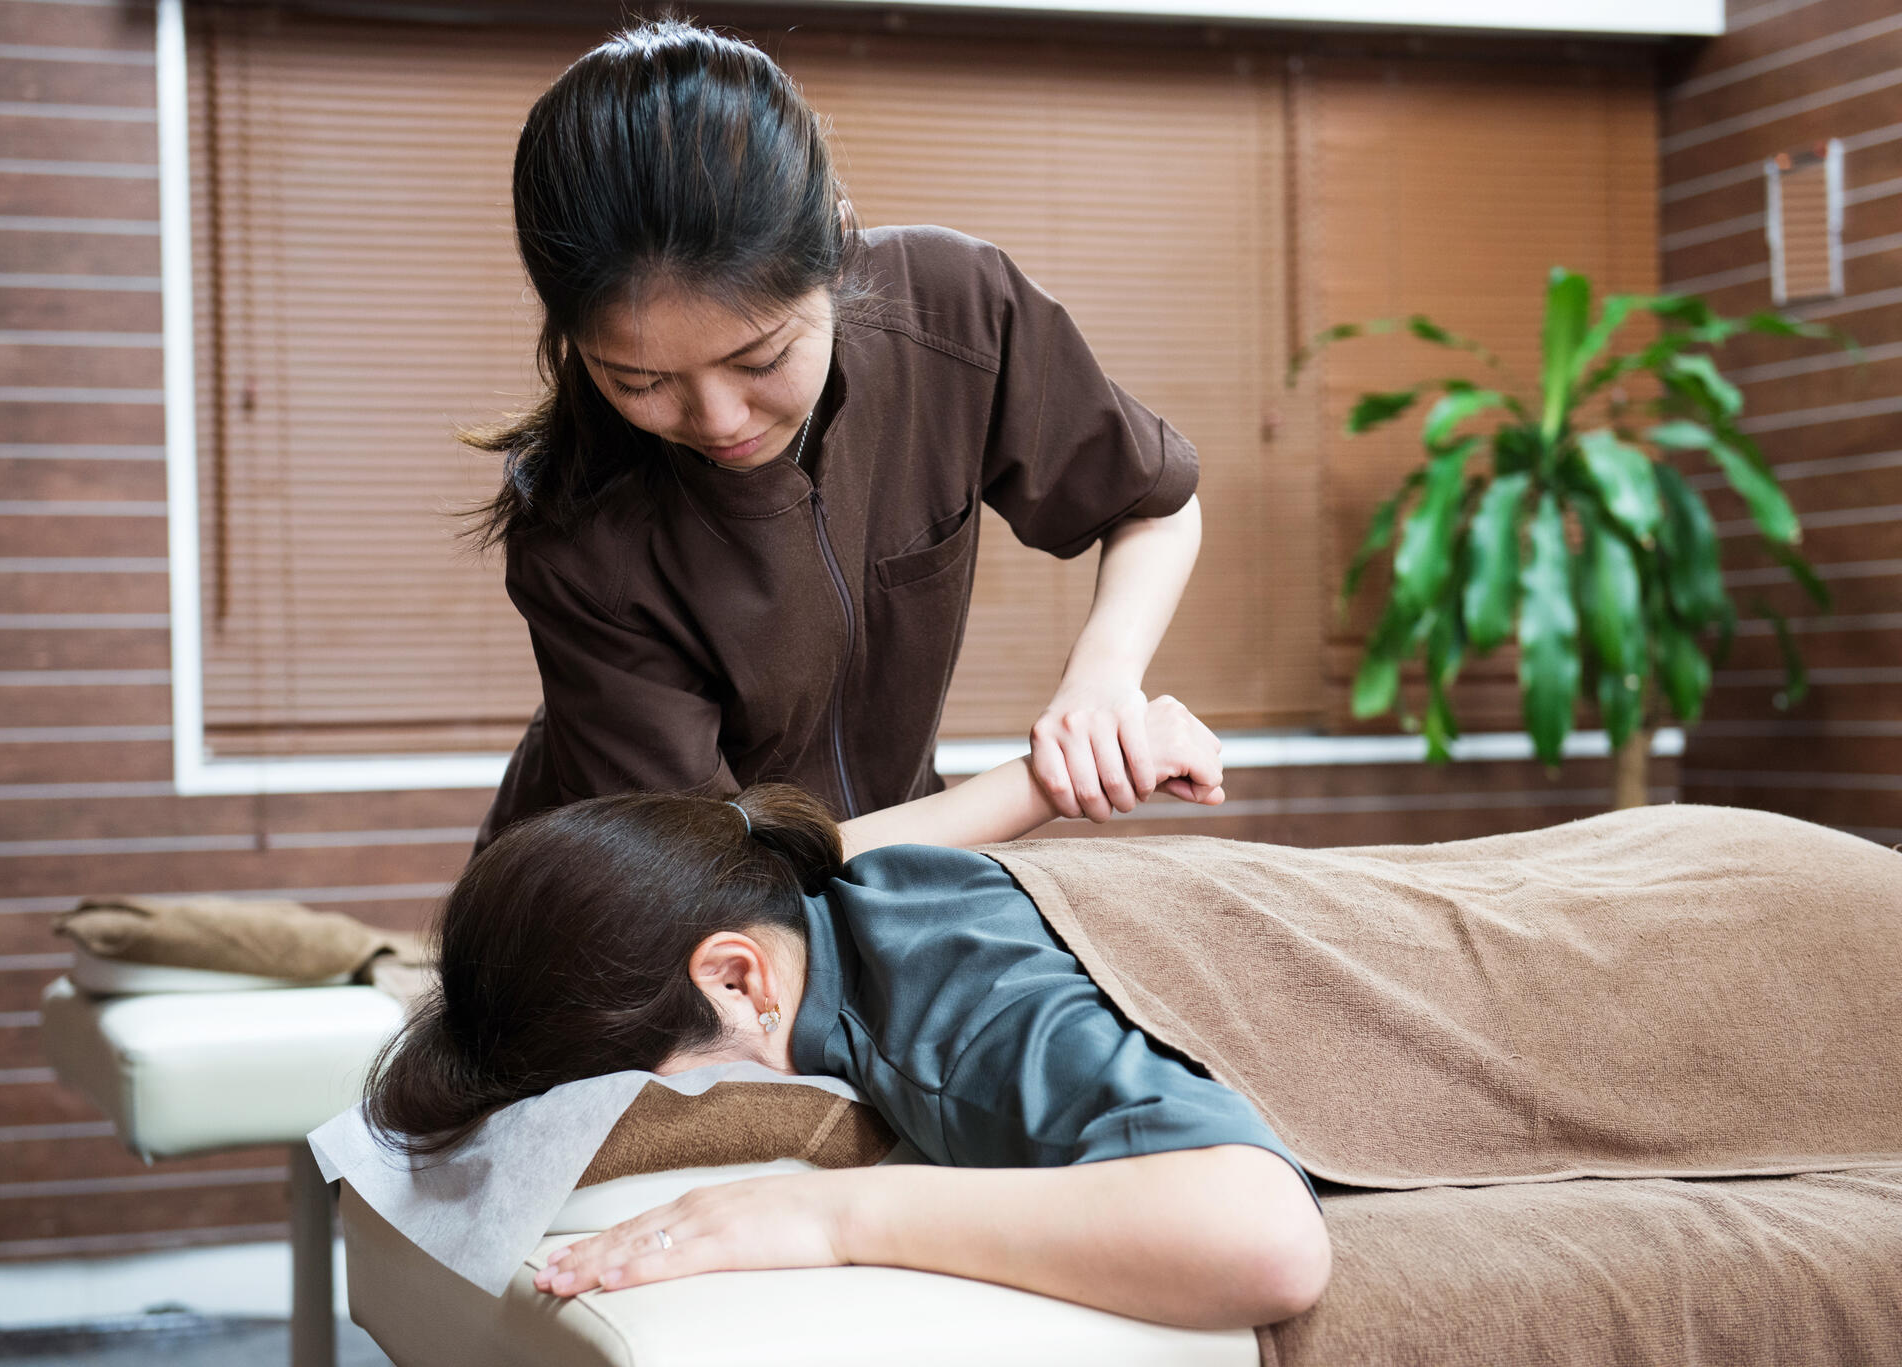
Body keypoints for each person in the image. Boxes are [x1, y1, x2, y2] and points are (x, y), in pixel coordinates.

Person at [467, 19, 1209, 850]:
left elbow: (1155, 505)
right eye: (639, 381)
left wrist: (1100, 688)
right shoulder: (576, 534)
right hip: (640, 928)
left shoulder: (953, 312)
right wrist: (1048, 780)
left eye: (762, 359)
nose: (717, 421)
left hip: (894, 861)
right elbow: (724, 876)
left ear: (837, 242)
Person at [370, 695, 1331, 1331]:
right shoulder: (797, 887)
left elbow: (1267, 1238)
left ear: (737, 982)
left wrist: (827, 1213)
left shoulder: (959, 1024)